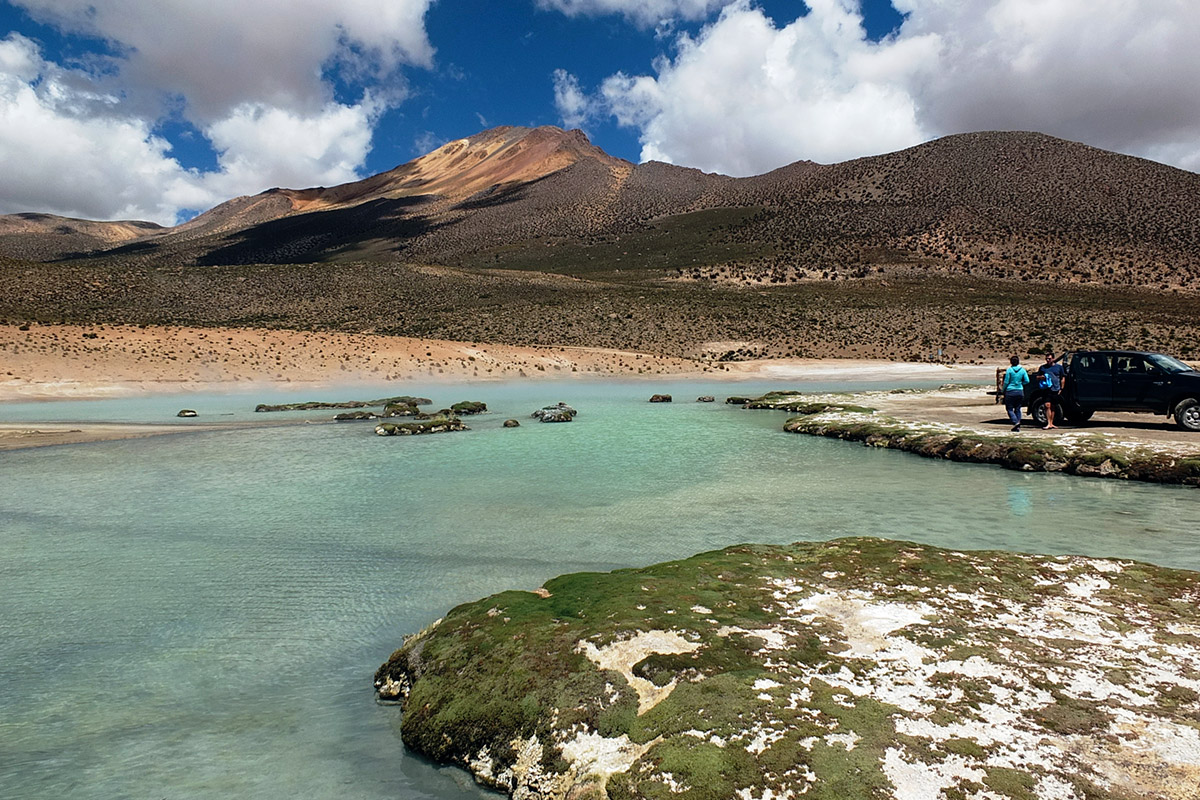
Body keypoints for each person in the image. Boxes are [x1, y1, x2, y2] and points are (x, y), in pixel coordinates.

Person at [1036, 352, 1066, 429]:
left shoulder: (1059, 367)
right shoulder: (1043, 367)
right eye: (1047, 359)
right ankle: (1048, 422)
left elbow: (1062, 378)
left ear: (1053, 359)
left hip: (1055, 388)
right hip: (1046, 389)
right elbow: (1037, 377)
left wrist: (1061, 388)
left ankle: (1051, 423)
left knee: (1053, 406)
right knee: (1047, 405)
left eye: (1049, 358)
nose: (1048, 360)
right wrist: (1041, 377)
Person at [1002, 355, 1030, 432]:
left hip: (1010, 391)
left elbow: (1006, 381)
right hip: (1019, 391)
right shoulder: (1022, 370)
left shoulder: (1009, 370)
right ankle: (1017, 426)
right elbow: (1027, 381)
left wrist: (1003, 390)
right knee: (1018, 408)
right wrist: (1020, 383)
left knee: (1009, 408)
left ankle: (1015, 422)